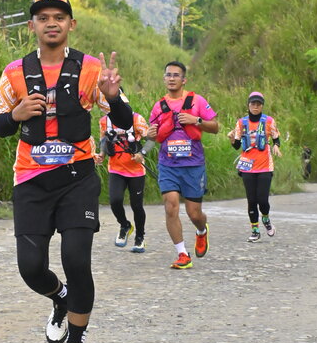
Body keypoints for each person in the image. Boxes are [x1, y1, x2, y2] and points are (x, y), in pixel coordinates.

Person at [0, 0, 133, 343]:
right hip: (31, 180)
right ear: (31, 26)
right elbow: (0, 126)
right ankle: (60, 297)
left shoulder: (91, 69)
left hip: (77, 178)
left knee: (76, 259)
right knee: (30, 268)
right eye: (43, 18)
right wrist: (16, 114)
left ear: (72, 24)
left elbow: (123, 120)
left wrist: (112, 97)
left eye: (59, 16)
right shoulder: (14, 72)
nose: (51, 23)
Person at [147, 61, 219, 269]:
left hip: (193, 165)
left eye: (176, 75)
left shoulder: (197, 101)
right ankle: (182, 254)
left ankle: (201, 230)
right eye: (168, 75)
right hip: (168, 164)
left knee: (194, 213)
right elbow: (153, 136)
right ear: (164, 79)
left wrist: (196, 120)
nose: (171, 78)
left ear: (184, 80)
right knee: (171, 206)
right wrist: (148, 136)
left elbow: (215, 127)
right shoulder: (159, 106)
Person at [227, 92, 282, 242]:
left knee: (262, 200)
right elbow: (237, 145)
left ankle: (266, 219)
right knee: (251, 200)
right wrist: (232, 139)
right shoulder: (241, 123)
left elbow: (276, 138)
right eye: (253, 104)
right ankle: (255, 230)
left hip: (265, 165)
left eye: (258, 104)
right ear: (248, 105)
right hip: (247, 166)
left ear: (262, 106)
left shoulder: (269, 121)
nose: (255, 107)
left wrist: (276, 146)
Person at [96, 111, 153, 252]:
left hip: (136, 170)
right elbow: (104, 140)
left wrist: (142, 154)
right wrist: (102, 154)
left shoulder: (137, 119)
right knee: (115, 201)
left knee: (136, 205)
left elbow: (151, 139)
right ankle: (125, 225)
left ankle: (140, 237)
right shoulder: (104, 121)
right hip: (116, 169)